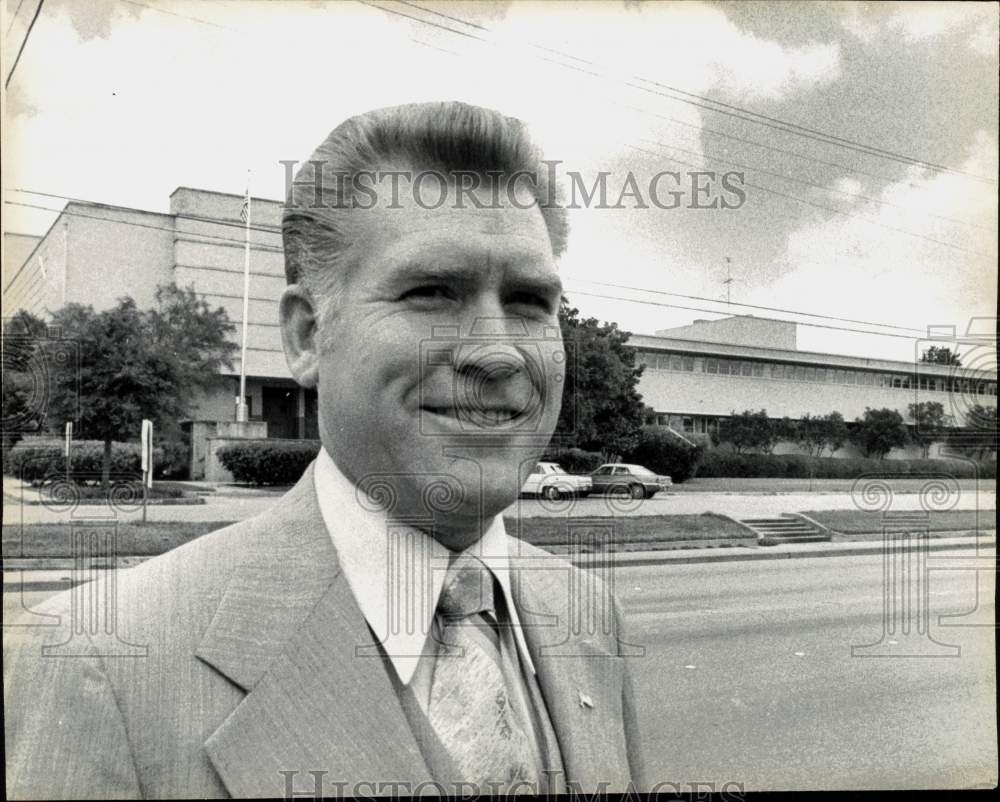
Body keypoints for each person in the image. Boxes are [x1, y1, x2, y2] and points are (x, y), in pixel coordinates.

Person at [4, 102, 646, 798]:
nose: (497, 352)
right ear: (307, 337)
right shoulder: (101, 663)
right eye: (431, 292)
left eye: (528, 301)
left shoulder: (590, 614)